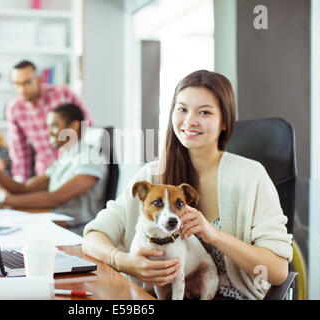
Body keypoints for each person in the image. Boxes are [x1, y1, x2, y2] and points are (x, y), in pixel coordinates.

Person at [82, 70, 293, 300]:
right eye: (182, 109)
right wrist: (123, 261)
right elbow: (93, 236)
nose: (190, 120)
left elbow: (278, 271)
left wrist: (214, 235)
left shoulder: (251, 176)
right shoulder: (152, 175)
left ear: (224, 121)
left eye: (204, 112)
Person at [0, 103, 108, 235]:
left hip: (75, 232)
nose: (48, 132)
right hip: (56, 224)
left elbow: (55, 199)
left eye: (54, 126)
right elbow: (23, 189)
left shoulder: (90, 158)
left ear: (73, 126)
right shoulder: (66, 158)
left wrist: (3, 201)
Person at [7, 60, 93, 182]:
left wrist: (83, 159)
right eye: (17, 84)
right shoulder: (14, 109)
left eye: (26, 83)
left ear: (38, 80)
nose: (21, 89)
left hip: (72, 167)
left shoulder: (62, 93)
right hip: (45, 172)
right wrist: (19, 182)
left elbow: (87, 125)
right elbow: (19, 150)